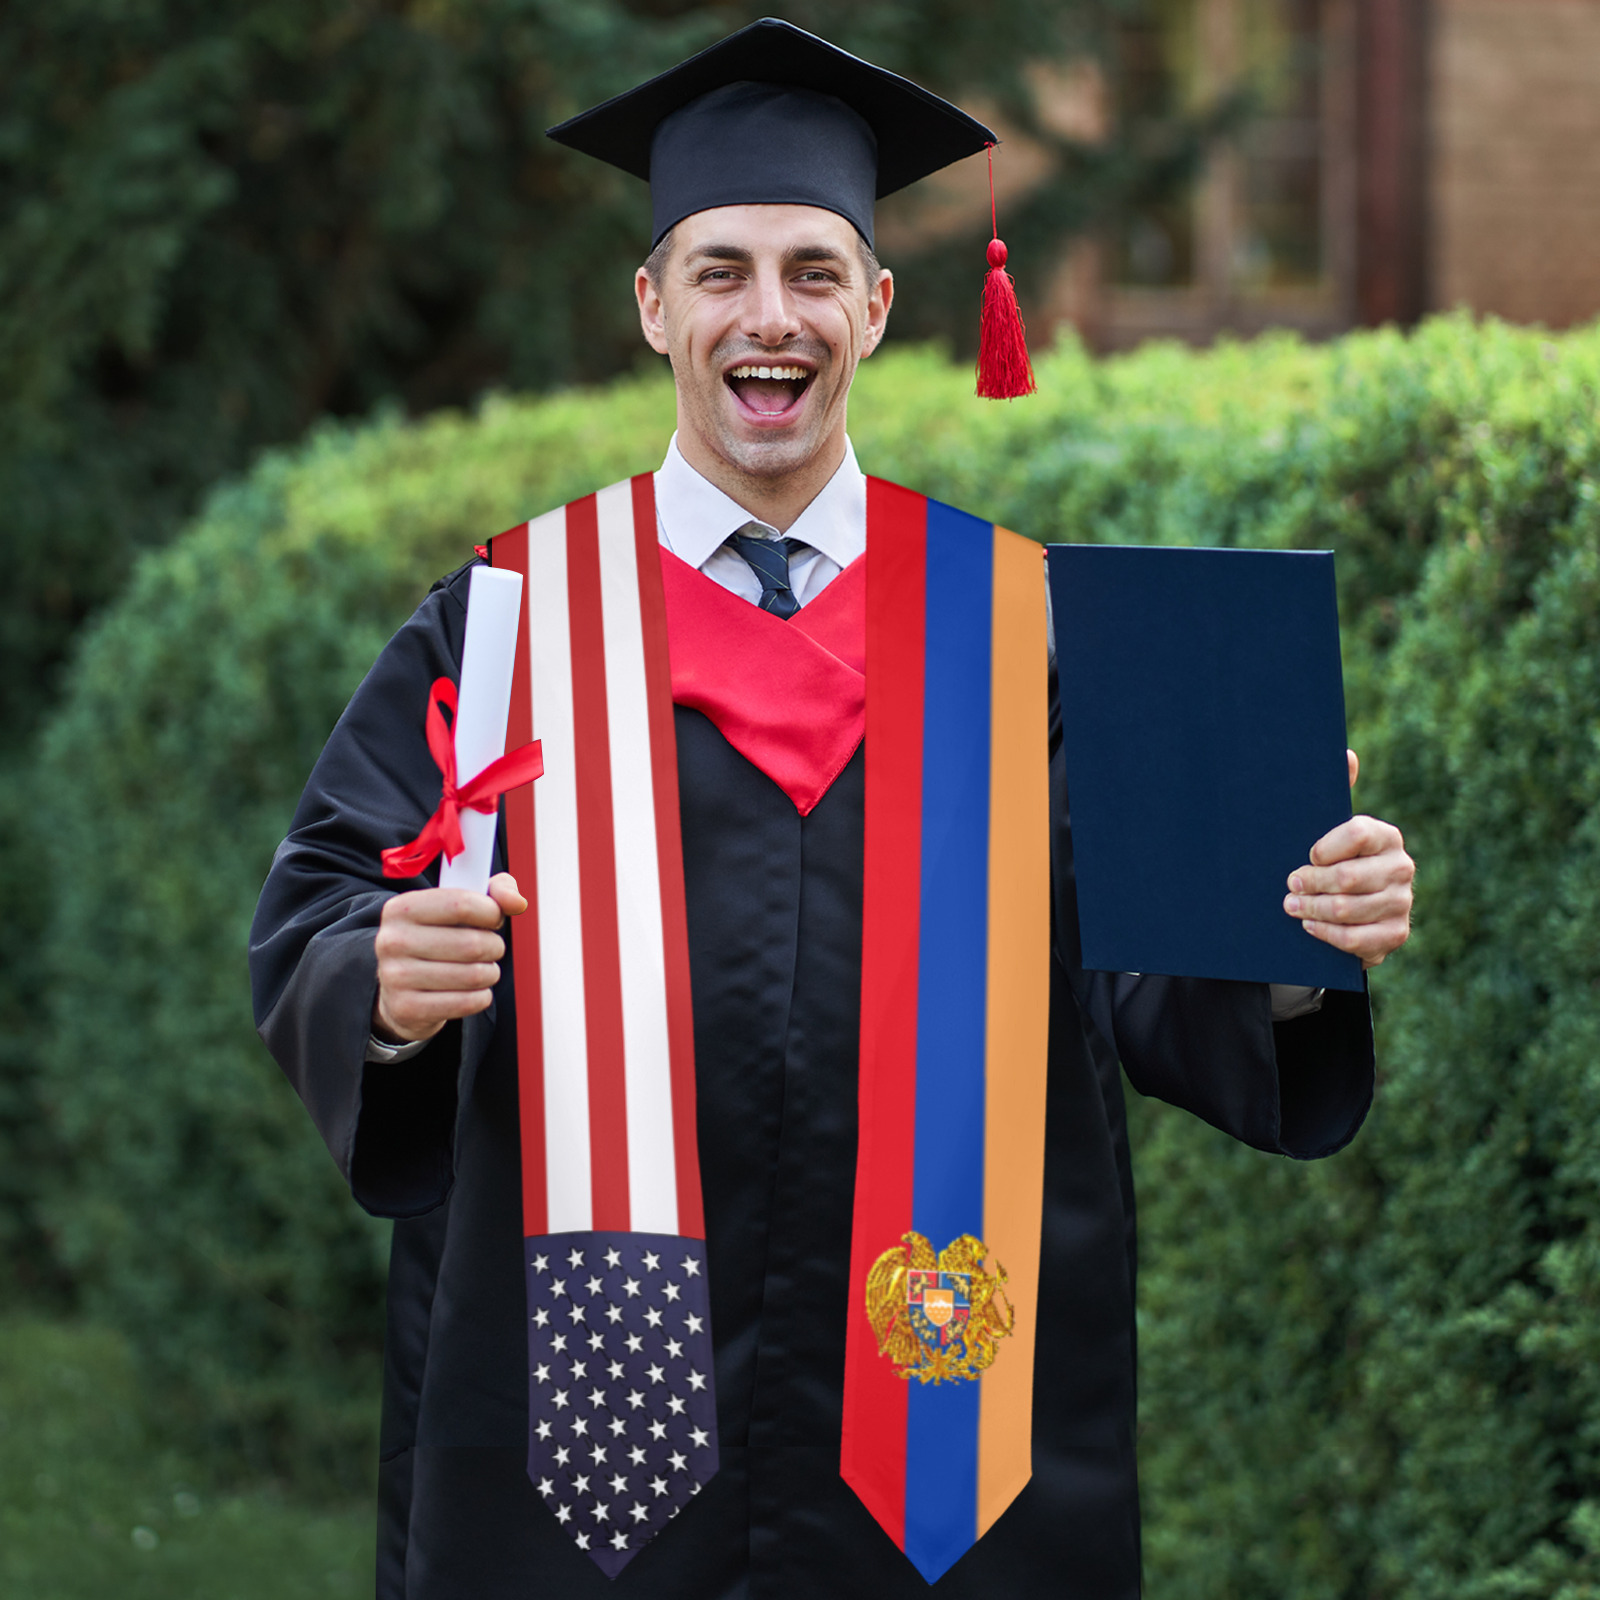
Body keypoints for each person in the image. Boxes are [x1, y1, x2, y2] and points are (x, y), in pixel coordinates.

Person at [249, 19, 1415, 1600]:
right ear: (654, 305)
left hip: (949, 1401)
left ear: (876, 306)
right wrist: (379, 983)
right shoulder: (517, 621)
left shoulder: (1028, 630)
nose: (768, 316)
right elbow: (325, 900)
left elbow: (1147, 979)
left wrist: (1291, 934)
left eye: (812, 271)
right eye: (721, 270)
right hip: (585, 1419)